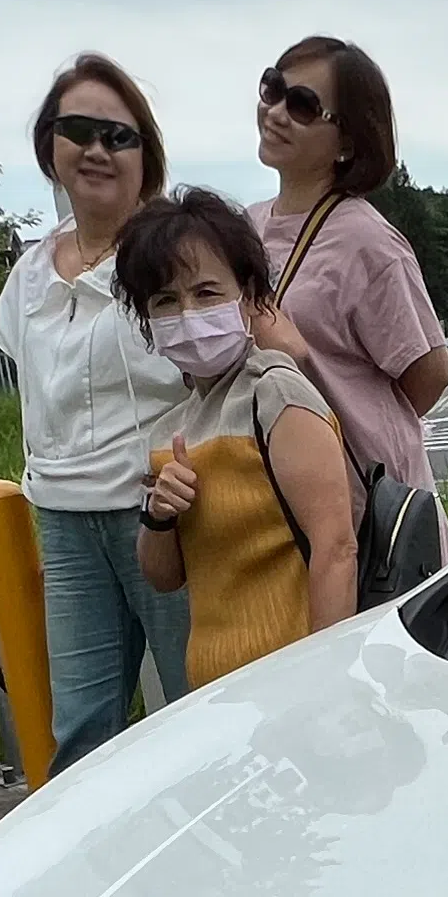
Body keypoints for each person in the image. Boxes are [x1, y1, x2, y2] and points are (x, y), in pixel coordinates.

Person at [0, 55, 187, 766]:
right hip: (65, 522)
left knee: (201, 703)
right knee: (79, 730)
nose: (98, 150)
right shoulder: (31, 273)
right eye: (78, 130)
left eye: (119, 135)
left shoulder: (175, 255)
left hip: (168, 515)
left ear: (146, 155)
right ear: (50, 143)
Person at [122, 190, 360, 683]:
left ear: (249, 298)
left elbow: (337, 547)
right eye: (165, 300)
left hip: (293, 679)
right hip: (214, 690)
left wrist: (328, 677)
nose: (187, 313)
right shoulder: (173, 428)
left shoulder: (275, 391)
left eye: (206, 293)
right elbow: (164, 579)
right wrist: (159, 515)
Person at [250, 38, 448, 509]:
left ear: (346, 141)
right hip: (279, 498)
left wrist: (356, 416)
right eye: (272, 89)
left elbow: (430, 372)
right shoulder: (244, 228)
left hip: (363, 505)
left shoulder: (368, 242)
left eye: (303, 105)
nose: (276, 112)